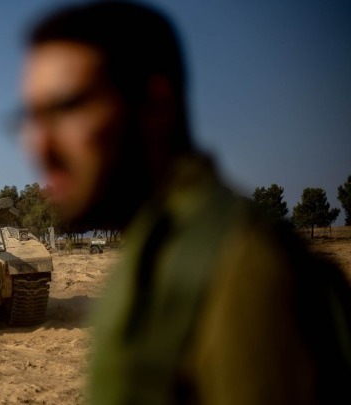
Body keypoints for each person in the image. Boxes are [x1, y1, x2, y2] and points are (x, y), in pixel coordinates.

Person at [18, 2, 351, 404]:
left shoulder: (241, 269)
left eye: (67, 108)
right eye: (32, 118)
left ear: (155, 103)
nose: (39, 146)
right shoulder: (156, 247)